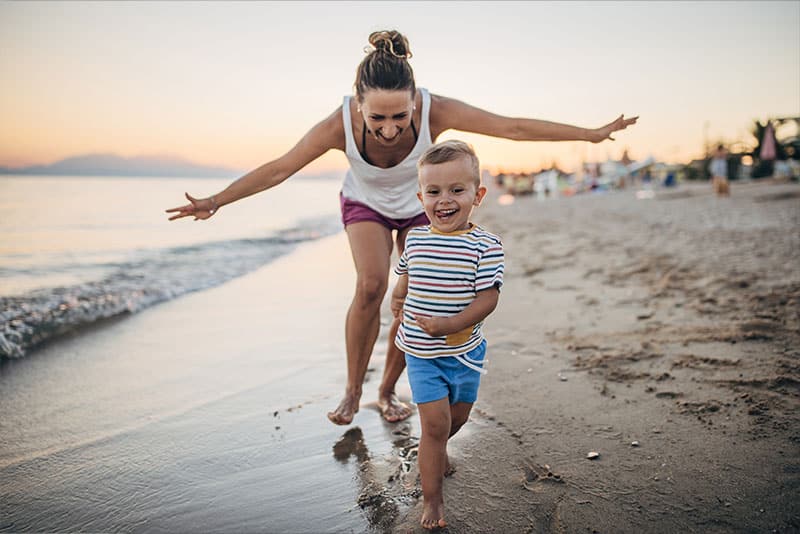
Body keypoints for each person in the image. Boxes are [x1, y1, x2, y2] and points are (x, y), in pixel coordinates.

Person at [165, 30, 637, 426]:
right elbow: (280, 168)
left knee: (415, 294)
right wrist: (216, 201)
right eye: (377, 118)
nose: (389, 130)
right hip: (365, 203)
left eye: (399, 116)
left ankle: (388, 390)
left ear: (415, 101)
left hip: (423, 205)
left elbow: (510, 127)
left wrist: (589, 134)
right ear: (358, 108)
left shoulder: (437, 109)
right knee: (371, 285)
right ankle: (353, 391)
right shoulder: (338, 123)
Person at [390, 140, 502, 530]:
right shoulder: (416, 239)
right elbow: (405, 273)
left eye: (457, 190)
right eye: (434, 192)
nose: (445, 200)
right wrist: (397, 296)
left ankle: (438, 451)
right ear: (421, 196)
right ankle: (432, 499)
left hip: (465, 354)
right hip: (421, 353)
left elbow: (488, 298)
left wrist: (450, 325)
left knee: (457, 420)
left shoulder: (486, 246)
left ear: (478, 194)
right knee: (434, 427)